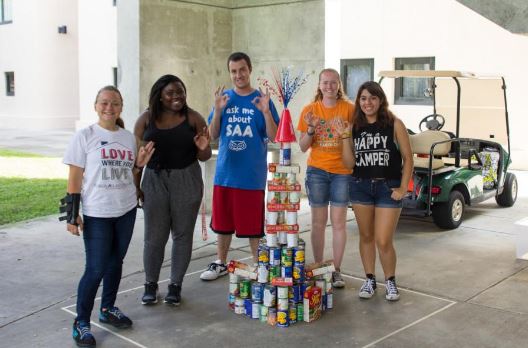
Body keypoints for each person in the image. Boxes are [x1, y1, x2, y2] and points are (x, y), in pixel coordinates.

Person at [62, 86, 155, 347]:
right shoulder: (85, 136)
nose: (109, 108)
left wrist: (139, 163)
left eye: (114, 103)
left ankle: (107, 309)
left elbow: (129, 171)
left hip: (125, 210)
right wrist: (72, 214)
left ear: (121, 107)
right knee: (95, 268)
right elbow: (75, 177)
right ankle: (81, 321)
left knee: (116, 263)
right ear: (96, 106)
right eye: (104, 103)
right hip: (97, 213)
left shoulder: (127, 138)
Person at [200, 52, 280, 281]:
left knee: (252, 226)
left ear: (250, 69)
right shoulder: (224, 99)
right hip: (225, 174)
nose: (238, 75)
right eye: (233, 71)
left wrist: (265, 111)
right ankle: (221, 263)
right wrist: (217, 110)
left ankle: (258, 265)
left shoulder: (262, 100)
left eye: (242, 70)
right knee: (223, 224)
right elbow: (213, 134)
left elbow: (274, 136)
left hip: (251, 176)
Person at [134, 75, 212, 305]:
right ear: (159, 95)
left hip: (186, 178)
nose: (177, 96)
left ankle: (175, 286)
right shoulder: (146, 119)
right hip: (154, 180)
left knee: (182, 235)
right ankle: (150, 284)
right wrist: (136, 186)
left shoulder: (193, 118)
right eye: (170, 93)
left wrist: (203, 148)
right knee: (154, 237)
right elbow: (136, 156)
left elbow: (205, 156)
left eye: (180, 91)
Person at [337, 81, 413, 301]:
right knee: (366, 236)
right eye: (363, 98)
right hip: (360, 186)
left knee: (383, 240)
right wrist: (344, 137)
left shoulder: (394, 124)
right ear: (358, 101)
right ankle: (369, 279)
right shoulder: (354, 127)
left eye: (372, 98)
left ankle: (390, 281)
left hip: (387, 187)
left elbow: (408, 159)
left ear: (380, 100)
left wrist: (402, 188)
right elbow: (349, 164)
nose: (367, 103)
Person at [296, 68, 355, 288]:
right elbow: (302, 147)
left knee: (339, 224)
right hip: (317, 171)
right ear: (319, 85)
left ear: (339, 85)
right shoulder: (310, 110)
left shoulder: (349, 109)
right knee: (318, 223)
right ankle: (319, 267)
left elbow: (355, 141)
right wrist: (311, 129)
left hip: (342, 172)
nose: (329, 86)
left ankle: (336, 271)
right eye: (325, 82)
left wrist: (345, 134)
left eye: (333, 82)